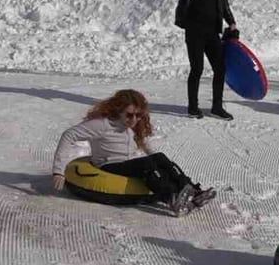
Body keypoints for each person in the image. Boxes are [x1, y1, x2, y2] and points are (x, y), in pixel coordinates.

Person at [51, 90, 216, 215]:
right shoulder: (101, 125)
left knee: (158, 158)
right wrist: (58, 171)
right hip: (108, 166)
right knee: (147, 165)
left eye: (138, 115)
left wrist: (159, 159)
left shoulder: (131, 126)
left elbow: (144, 144)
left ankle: (193, 191)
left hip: (125, 165)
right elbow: (69, 135)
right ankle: (171, 199)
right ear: (118, 111)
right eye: (129, 115)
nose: (134, 119)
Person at [166, 0, 237, 120]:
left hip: (212, 31)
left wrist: (231, 21)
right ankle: (193, 108)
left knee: (220, 68)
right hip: (194, 31)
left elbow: (223, 1)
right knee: (197, 69)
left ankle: (217, 108)